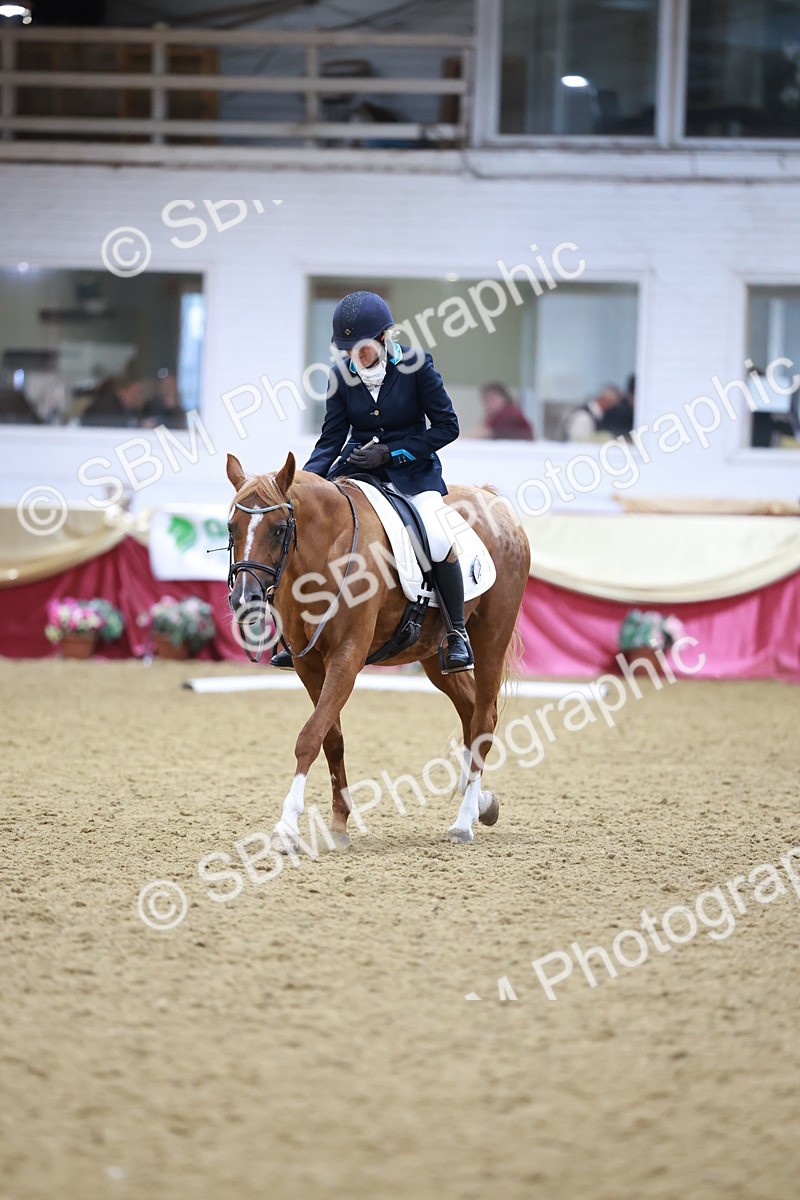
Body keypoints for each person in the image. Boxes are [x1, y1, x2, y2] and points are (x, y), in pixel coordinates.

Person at [272, 289, 473, 674]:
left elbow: (447, 427)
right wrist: (304, 483)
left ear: (383, 338)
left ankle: (456, 633)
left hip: (413, 473)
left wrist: (393, 452)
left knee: (438, 535)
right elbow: (331, 438)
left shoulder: (417, 366)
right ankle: (296, 633)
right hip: (357, 470)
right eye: (347, 350)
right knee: (308, 532)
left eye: (361, 348)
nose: (355, 357)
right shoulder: (339, 376)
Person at [468, 383, 534, 440]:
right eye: (486, 400)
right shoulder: (498, 414)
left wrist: (460, 441)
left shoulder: (508, 413)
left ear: (504, 398)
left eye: (492, 399)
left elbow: (482, 432)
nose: (489, 404)